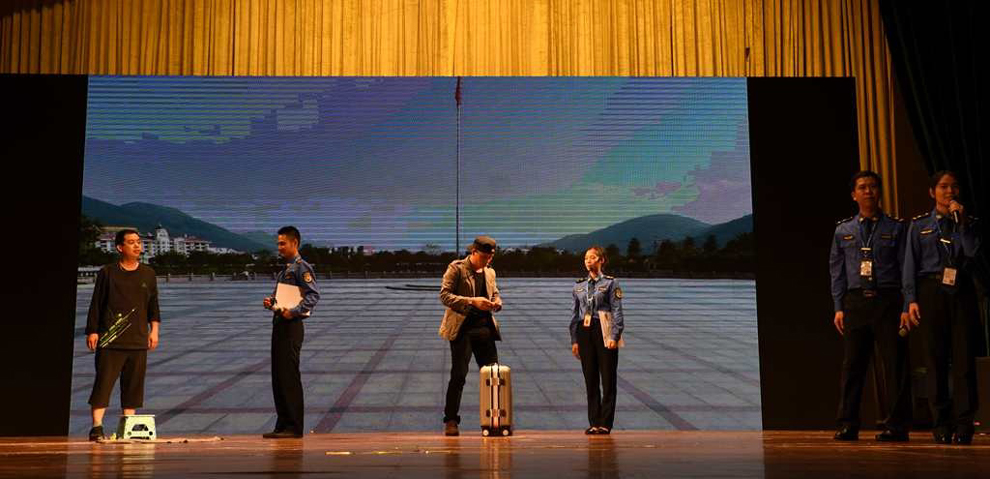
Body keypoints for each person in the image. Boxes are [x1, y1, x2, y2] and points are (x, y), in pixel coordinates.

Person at [829, 171, 912, 441]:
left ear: (879, 192)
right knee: (853, 365)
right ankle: (848, 423)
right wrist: (838, 306)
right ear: (854, 195)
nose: (868, 191)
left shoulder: (896, 228)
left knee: (895, 365)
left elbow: (905, 268)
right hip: (855, 302)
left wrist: (907, 304)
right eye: (863, 187)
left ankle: (897, 425)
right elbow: (837, 271)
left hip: (887, 300)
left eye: (873, 187)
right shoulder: (844, 230)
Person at [903, 171, 981, 445]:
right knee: (935, 358)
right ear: (932, 192)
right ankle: (941, 422)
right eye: (943, 186)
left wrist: (962, 223)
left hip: (961, 289)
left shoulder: (968, 222)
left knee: (963, 359)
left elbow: (971, 252)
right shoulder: (919, 225)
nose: (950, 192)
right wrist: (910, 300)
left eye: (954, 187)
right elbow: (910, 264)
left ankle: (964, 423)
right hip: (931, 289)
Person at [85, 229, 160, 441]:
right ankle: (97, 427)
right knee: (103, 383)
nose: (137, 246)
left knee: (133, 386)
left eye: (139, 242)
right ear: (120, 247)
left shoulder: (148, 273)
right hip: (110, 339)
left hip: (138, 339)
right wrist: (92, 331)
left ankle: (128, 426)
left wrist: (154, 331)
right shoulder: (107, 272)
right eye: (131, 242)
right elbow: (96, 303)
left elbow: (153, 305)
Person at [439, 235, 504, 436]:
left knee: (493, 375)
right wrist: (472, 301)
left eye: (491, 257)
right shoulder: (457, 268)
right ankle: (451, 420)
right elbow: (444, 295)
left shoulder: (490, 272)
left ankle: (495, 421)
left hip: (485, 330)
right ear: (473, 252)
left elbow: (495, 292)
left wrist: (497, 301)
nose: (488, 260)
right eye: (484, 256)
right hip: (462, 330)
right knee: (459, 375)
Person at [261, 226, 320, 439]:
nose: (279, 247)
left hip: (291, 326)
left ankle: (293, 427)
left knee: (289, 377)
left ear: (294, 243)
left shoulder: (301, 268)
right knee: (278, 377)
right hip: (280, 324)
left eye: (282, 243)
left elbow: (313, 295)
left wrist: (293, 312)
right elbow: (282, 297)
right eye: (278, 243)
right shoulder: (284, 270)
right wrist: (272, 302)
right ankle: (283, 424)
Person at [570, 245, 624, 435]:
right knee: (590, 378)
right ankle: (594, 422)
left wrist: (615, 336)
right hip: (584, 331)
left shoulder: (611, 283)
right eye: (586, 258)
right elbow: (574, 315)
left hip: (604, 329)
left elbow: (617, 311)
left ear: (601, 260)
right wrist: (574, 340)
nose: (588, 261)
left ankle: (605, 423)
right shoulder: (578, 286)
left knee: (608, 378)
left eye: (592, 257)